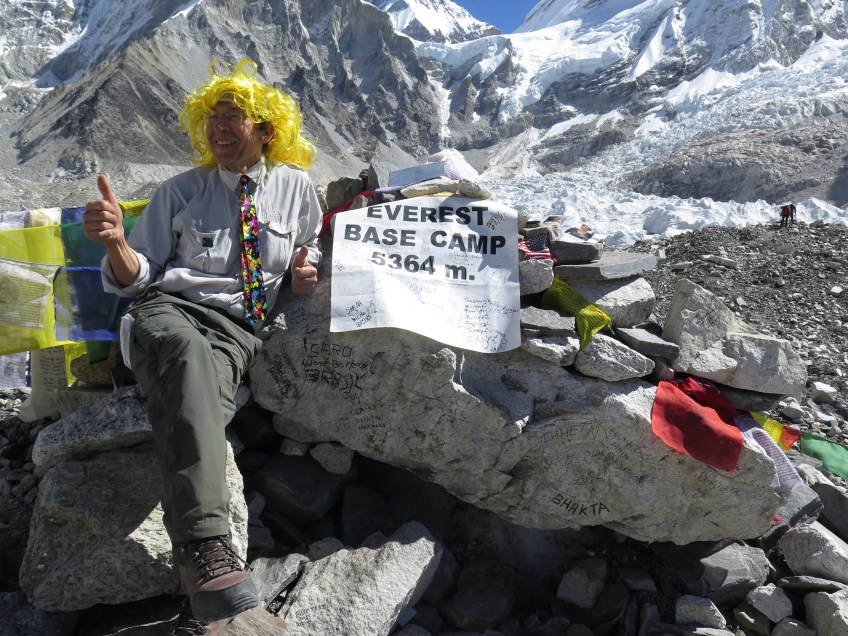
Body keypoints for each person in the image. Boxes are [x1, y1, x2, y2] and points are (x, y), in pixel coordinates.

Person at [83, 59, 322, 635]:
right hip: (167, 312)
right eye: (211, 118)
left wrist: (302, 274)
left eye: (232, 117)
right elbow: (135, 277)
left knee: (201, 403)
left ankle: (207, 601)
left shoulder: (295, 189)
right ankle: (205, 551)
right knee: (186, 359)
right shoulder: (180, 191)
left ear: (266, 130)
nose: (217, 128)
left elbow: (307, 253)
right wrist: (116, 241)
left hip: (239, 332)